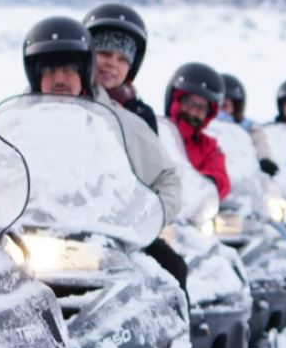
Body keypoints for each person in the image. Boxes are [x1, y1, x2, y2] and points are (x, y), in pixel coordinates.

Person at [22, 16, 186, 288]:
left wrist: (143, 220)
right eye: (50, 71)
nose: (59, 79)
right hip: (28, 232)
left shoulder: (121, 120)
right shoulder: (18, 120)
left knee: (169, 273)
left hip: (99, 235)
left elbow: (166, 177)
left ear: (83, 71)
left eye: (69, 70)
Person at [83, 3, 158, 133]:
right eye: (105, 53)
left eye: (122, 59)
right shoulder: (69, 98)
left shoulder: (142, 115)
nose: (112, 63)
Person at [164, 63, 230, 201]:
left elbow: (221, 177)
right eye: (190, 103)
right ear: (176, 101)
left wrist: (207, 182)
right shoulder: (155, 130)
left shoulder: (208, 146)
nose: (194, 112)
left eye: (201, 107)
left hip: (190, 211)